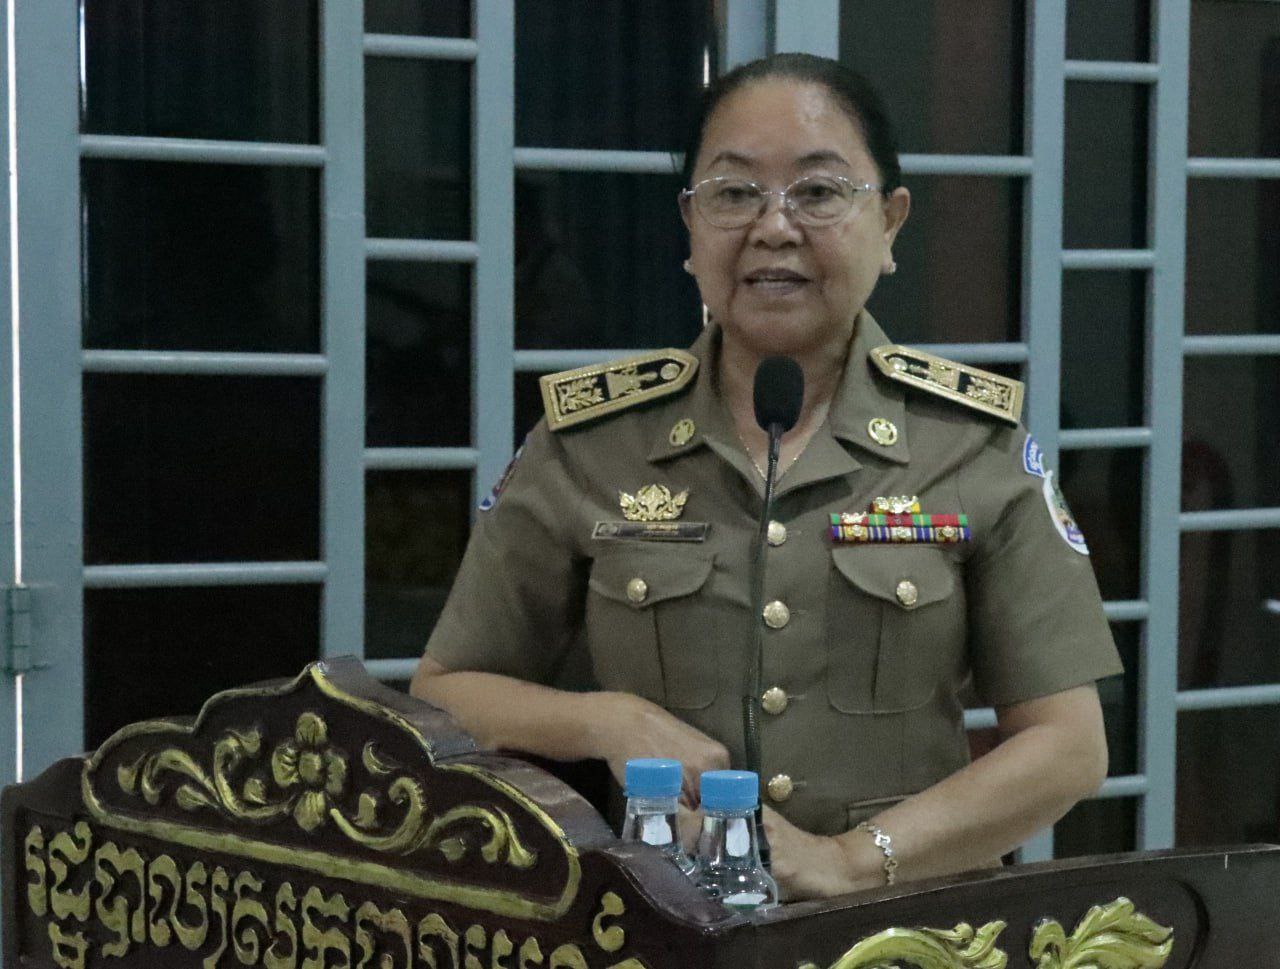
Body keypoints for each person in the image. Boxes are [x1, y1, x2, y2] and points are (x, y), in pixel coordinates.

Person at [411, 53, 1122, 901]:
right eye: (734, 192)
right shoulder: (594, 442)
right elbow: (447, 691)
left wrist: (849, 858)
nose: (774, 227)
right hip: (659, 917)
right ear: (690, 224)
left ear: (890, 222)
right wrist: (604, 720)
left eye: (818, 192)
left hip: (904, 926)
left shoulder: (971, 442)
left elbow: (1069, 745)